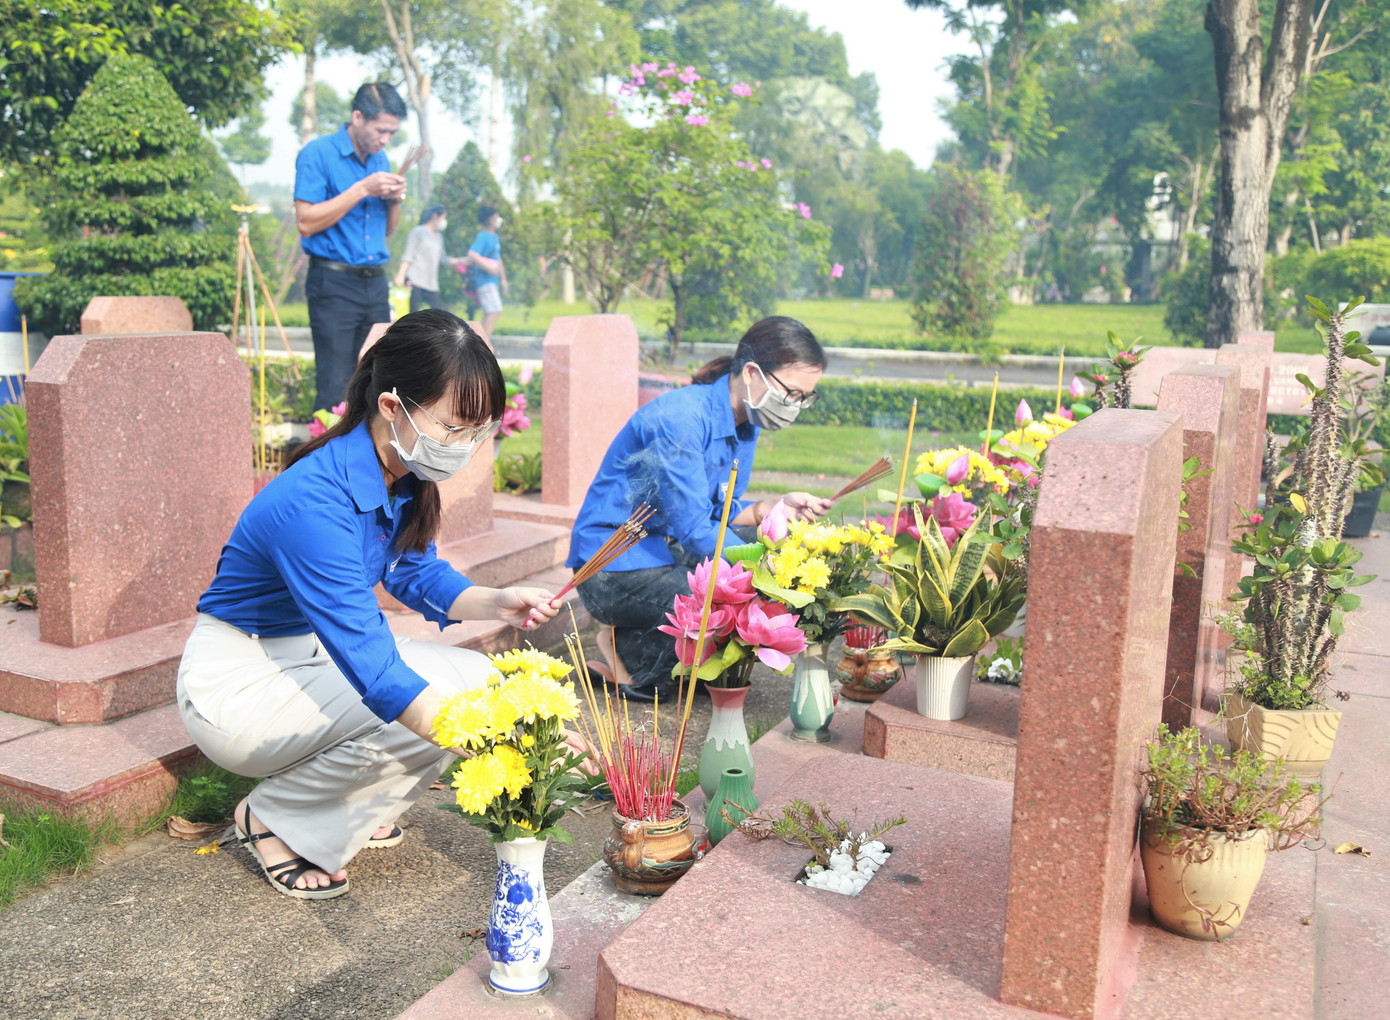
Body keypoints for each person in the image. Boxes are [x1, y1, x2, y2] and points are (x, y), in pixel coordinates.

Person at [179, 310, 560, 900]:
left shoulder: (399, 474)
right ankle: (272, 820)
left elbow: (413, 571)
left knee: (478, 681)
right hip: (240, 684)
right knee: (436, 706)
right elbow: (376, 672)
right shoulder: (312, 503)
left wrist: (498, 602)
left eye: (477, 431)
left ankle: (350, 803)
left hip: (307, 657)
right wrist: (497, 748)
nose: (464, 446)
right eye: (453, 427)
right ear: (391, 406)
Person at [567, 316, 832, 702]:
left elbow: (717, 511)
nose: (796, 406)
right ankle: (630, 652)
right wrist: (763, 569)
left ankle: (648, 643)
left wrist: (771, 508)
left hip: (663, 548)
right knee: (726, 596)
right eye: (791, 393)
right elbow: (695, 530)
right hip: (613, 565)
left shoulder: (745, 424)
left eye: (805, 398)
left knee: (761, 547)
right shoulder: (680, 421)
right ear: (751, 373)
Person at [294, 82, 408, 412]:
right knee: (336, 384)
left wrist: (395, 199)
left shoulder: (380, 159)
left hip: (374, 282)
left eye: (392, 133)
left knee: (377, 380)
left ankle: (372, 447)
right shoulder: (318, 153)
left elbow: (387, 230)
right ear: (358, 117)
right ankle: (328, 444)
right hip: (333, 283)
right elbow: (306, 221)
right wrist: (363, 189)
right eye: (381, 130)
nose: (385, 140)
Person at [468, 205, 508, 337]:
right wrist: (488, 266)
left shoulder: (494, 237)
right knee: (494, 310)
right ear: (490, 220)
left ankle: (482, 341)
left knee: (491, 311)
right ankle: (484, 342)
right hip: (484, 281)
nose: (499, 219)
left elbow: (498, 258)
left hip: (492, 281)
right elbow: (472, 254)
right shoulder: (483, 236)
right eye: (496, 217)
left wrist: (503, 279)